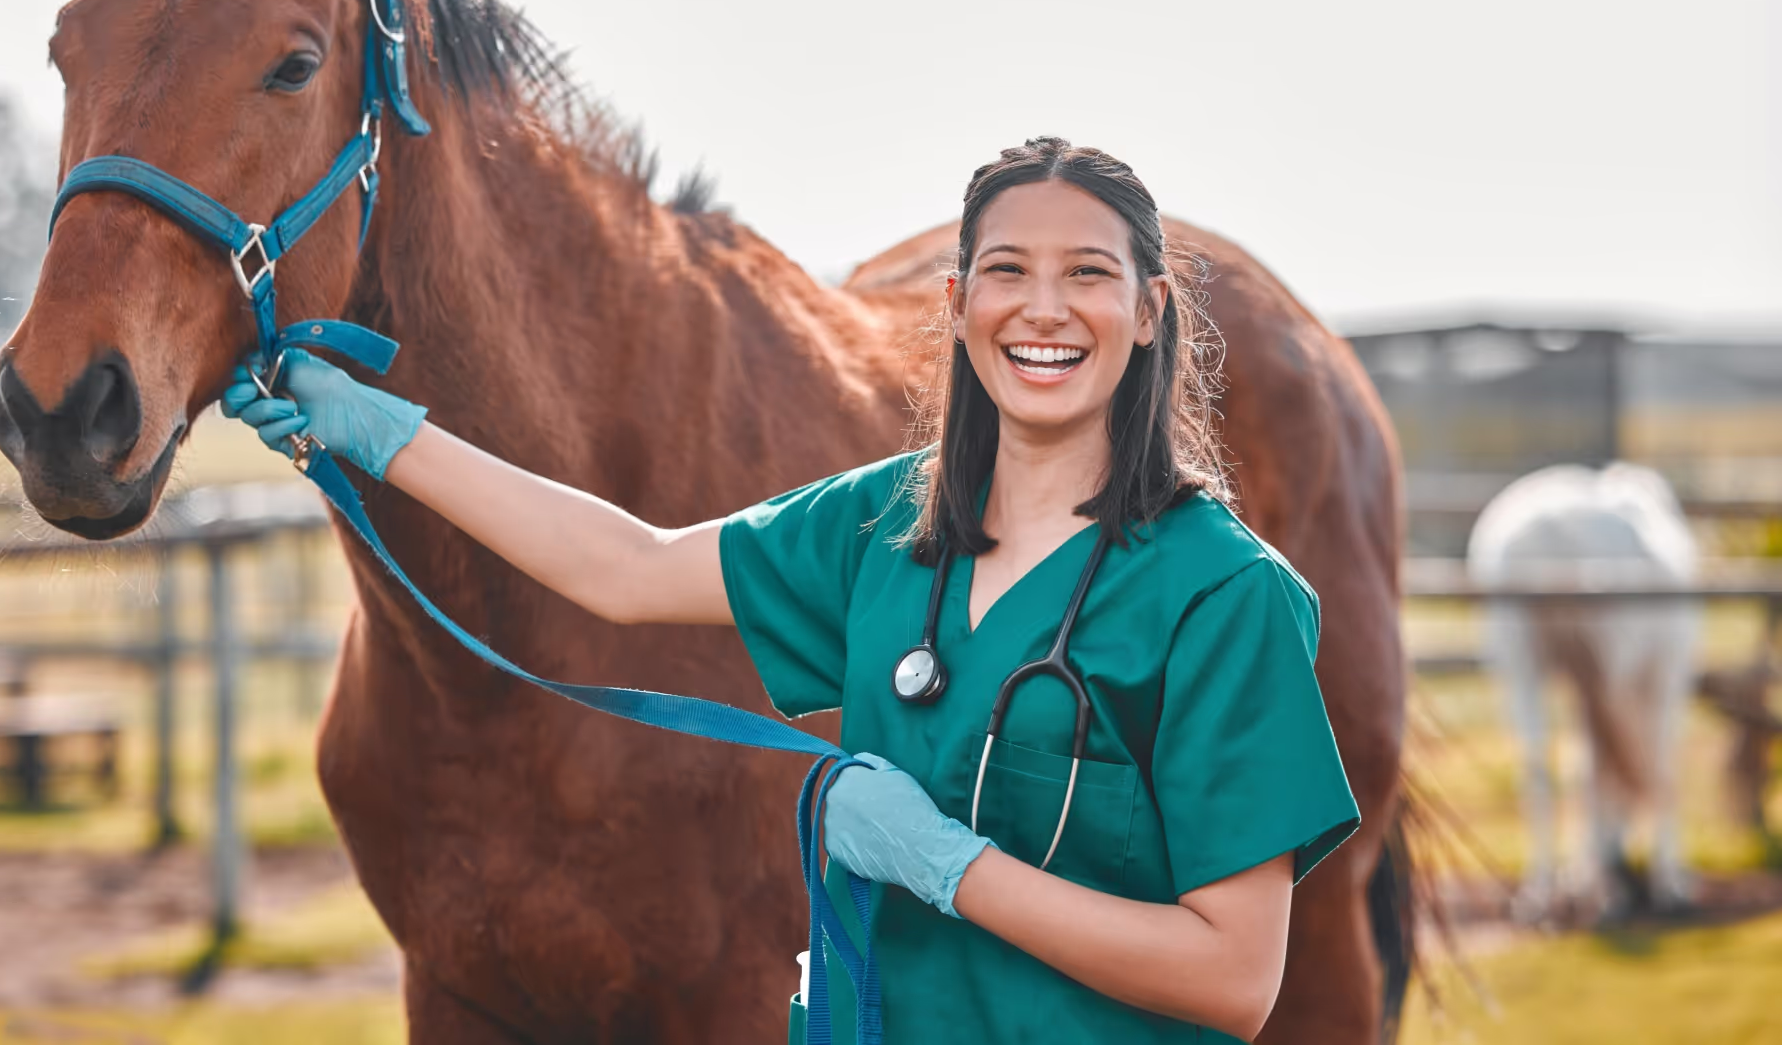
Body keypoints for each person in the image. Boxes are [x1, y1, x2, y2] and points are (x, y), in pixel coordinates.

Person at [224, 137, 1358, 1043]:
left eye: (1088, 275)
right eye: (1007, 271)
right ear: (958, 303)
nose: (1042, 309)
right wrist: (377, 432)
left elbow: (1231, 977)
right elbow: (623, 566)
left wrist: (951, 869)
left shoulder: (1223, 594)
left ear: (1149, 309)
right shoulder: (882, 523)